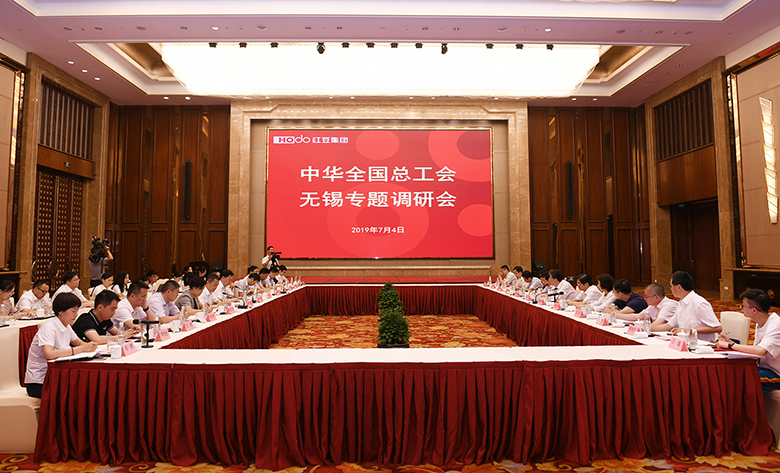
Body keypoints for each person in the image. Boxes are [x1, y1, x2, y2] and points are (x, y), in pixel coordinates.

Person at [24, 293, 98, 398]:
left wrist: (90, 346)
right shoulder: (49, 327)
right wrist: (79, 349)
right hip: (40, 382)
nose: (76, 315)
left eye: (77, 311)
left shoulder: (67, 326)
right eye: (73, 311)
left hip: (58, 376)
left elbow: (79, 343)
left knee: (85, 387)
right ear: (60, 311)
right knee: (76, 393)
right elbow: (49, 354)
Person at [716, 289, 780, 392]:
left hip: (776, 373)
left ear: (754, 310)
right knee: (731, 374)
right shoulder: (761, 322)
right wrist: (731, 343)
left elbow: (761, 351)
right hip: (765, 368)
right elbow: (756, 353)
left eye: (743, 305)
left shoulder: (775, 325)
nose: (740, 308)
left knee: (741, 381)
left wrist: (730, 345)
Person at [651, 271, 722, 342]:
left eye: (671, 286)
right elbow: (668, 326)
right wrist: (647, 328)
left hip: (704, 344)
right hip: (686, 342)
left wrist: (688, 330)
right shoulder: (681, 303)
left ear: (679, 287)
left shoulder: (699, 303)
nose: (671, 289)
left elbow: (717, 328)